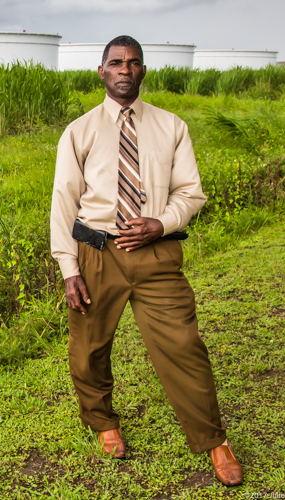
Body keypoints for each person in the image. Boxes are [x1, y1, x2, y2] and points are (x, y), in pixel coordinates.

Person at [49, 35, 243, 486]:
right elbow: (63, 203)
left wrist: (163, 222)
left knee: (184, 348)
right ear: (101, 71)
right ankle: (103, 423)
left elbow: (191, 193)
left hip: (157, 254)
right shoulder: (79, 132)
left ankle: (215, 441)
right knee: (89, 349)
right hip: (97, 253)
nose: (124, 69)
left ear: (143, 71)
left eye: (133, 63)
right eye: (115, 62)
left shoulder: (171, 126)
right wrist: (69, 269)